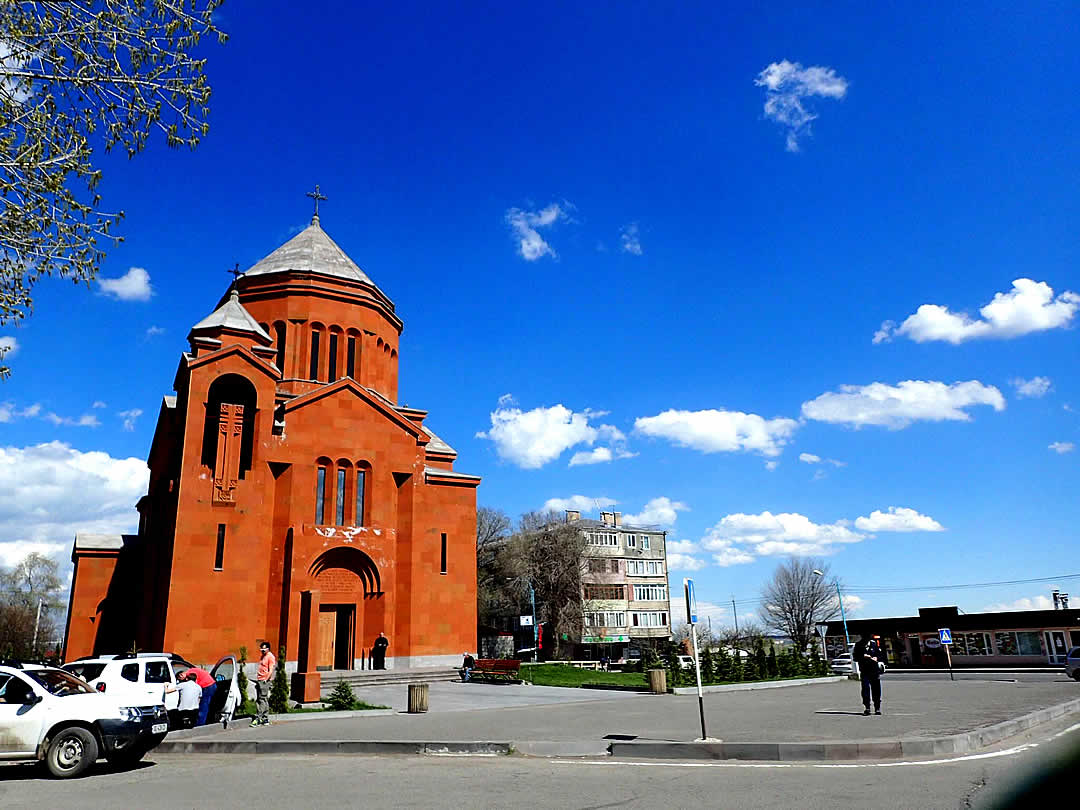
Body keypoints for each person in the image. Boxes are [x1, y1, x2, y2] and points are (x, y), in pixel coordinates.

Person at [852, 632, 884, 715]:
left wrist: (876, 657)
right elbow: (855, 657)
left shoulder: (874, 644)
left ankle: (877, 708)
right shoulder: (858, 645)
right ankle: (867, 708)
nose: (866, 641)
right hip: (864, 670)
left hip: (874, 670)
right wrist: (863, 656)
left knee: (876, 689)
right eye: (865, 639)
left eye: (867, 639)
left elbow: (880, 655)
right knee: (865, 689)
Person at [253, 641, 275, 727]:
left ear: (268, 649)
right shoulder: (263, 656)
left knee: (261, 700)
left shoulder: (270, 657)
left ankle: (259, 718)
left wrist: (266, 679)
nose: (262, 650)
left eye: (264, 648)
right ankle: (265, 718)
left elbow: (271, 670)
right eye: (261, 648)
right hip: (260, 679)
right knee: (263, 699)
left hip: (264, 681)